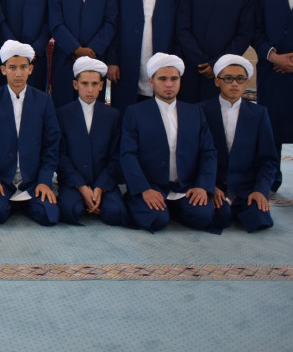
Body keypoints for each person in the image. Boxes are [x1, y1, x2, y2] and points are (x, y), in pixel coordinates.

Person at [120, 53, 217, 233]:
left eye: (174, 79)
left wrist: (203, 186)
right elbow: (128, 154)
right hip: (151, 185)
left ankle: (175, 207)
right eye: (162, 79)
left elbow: (208, 152)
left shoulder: (194, 112)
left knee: (203, 216)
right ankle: (154, 206)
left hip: (185, 186)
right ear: (151, 81)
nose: (169, 84)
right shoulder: (135, 112)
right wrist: (144, 189)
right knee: (157, 220)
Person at [0, 40, 60, 227]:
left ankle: (28, 202)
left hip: (33, 181)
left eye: (23, 67)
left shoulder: (44, 101)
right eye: (12, 68)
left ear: (31, 69)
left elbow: (51, 146)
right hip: (2, 181)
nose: (18, 73)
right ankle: (10, 202)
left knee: (50, 216)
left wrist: (44, 181)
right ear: (3, 70)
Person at [199, 54, 277, 232]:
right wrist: (208, 186)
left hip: (245, 188)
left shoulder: (259, 114)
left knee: (259, 219)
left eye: (240, 79)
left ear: (246, 82)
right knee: (217, 217)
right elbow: (193, 156)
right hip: (214, 184)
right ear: (217, 81)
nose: (234, 84)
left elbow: (268, 160)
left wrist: (260, 191)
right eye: (228, 78)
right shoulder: (201, 111)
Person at [107, 0, 183, 111]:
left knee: (159, 113)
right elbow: (112, 25)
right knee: (126, 111)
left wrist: (176, 62)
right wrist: (112, 60)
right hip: (127, 60)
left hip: (164, 58)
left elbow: (180, 28)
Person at [176, 0, 256, 103]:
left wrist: (217, 63)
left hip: (225, 70)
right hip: (193, 67)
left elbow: (244, 34)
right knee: (190, 112)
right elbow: (182, 29)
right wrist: (201, 61)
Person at [252, 0, 293, 198]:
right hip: (272, 69)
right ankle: (270, 181)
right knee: (271, 129)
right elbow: (255, 27)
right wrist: (273, 56)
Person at [48, 0, 117, 108]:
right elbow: (55, 22)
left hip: (96, 57)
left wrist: (92, 50)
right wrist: (76, 49)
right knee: (63, 107)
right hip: (66, 57)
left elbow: (110, 21)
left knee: (93, 107)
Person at [56, 57, 128, 226]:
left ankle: (96, 198)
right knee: (72, 211)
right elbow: (60, 155)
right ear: (75, 85)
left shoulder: (112, 115)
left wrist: (100, 187)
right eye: (85, 83)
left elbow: (116, 156)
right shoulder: (62, 114)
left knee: (116, 213)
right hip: (74, 181)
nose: (90, 89)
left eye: (95, 84)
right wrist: (81, 187)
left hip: (103, 180)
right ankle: (84, 199)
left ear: (101, 86)